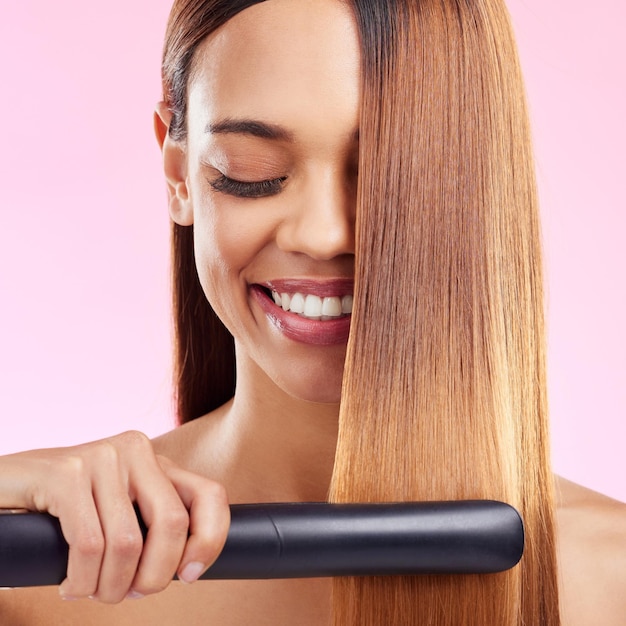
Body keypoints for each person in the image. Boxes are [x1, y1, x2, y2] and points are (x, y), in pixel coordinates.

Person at [0, 0, 624, 624]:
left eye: (386, 175)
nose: (325, 234)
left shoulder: (610, 579)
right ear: (180, 176)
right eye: (252, 173)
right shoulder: (30, 579)